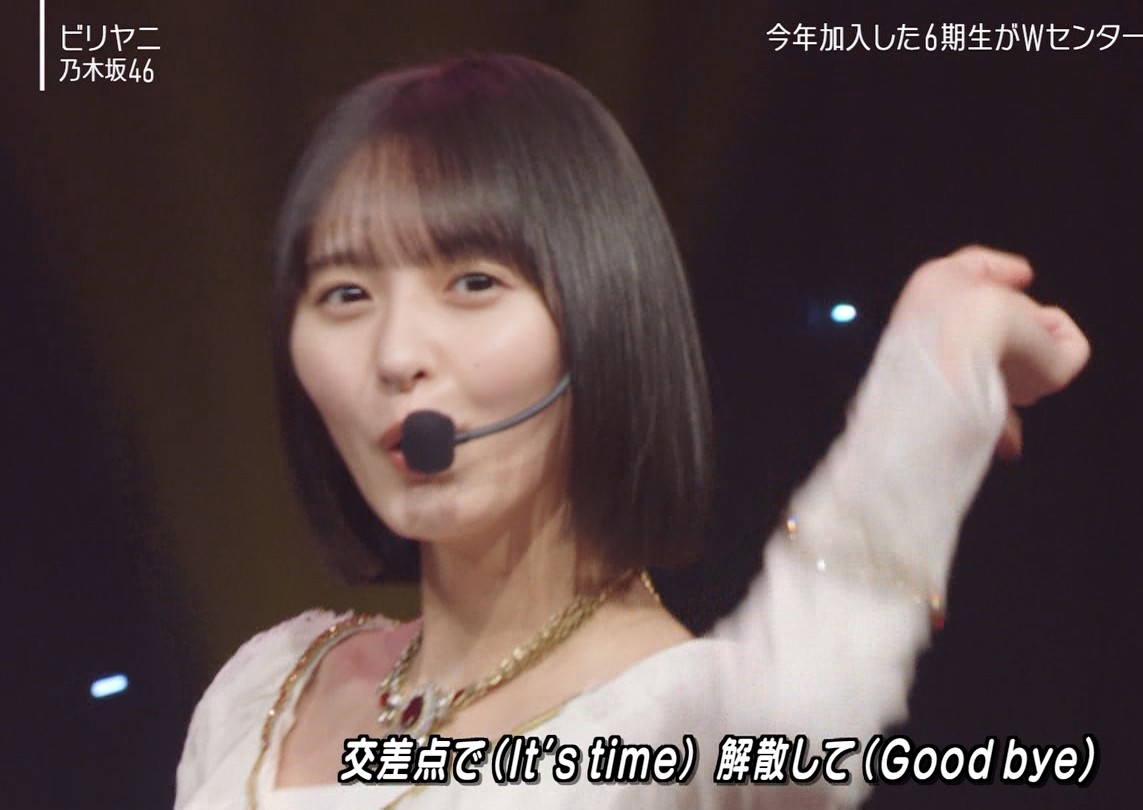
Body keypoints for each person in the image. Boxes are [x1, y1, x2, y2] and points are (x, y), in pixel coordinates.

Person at [174, 53, 1089, 810]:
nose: (396, 354)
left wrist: (934, 376)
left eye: (474, 284)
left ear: (601, 317)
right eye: (345, 294)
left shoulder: (679, 720)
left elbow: (808, 715)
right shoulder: (267, 688)